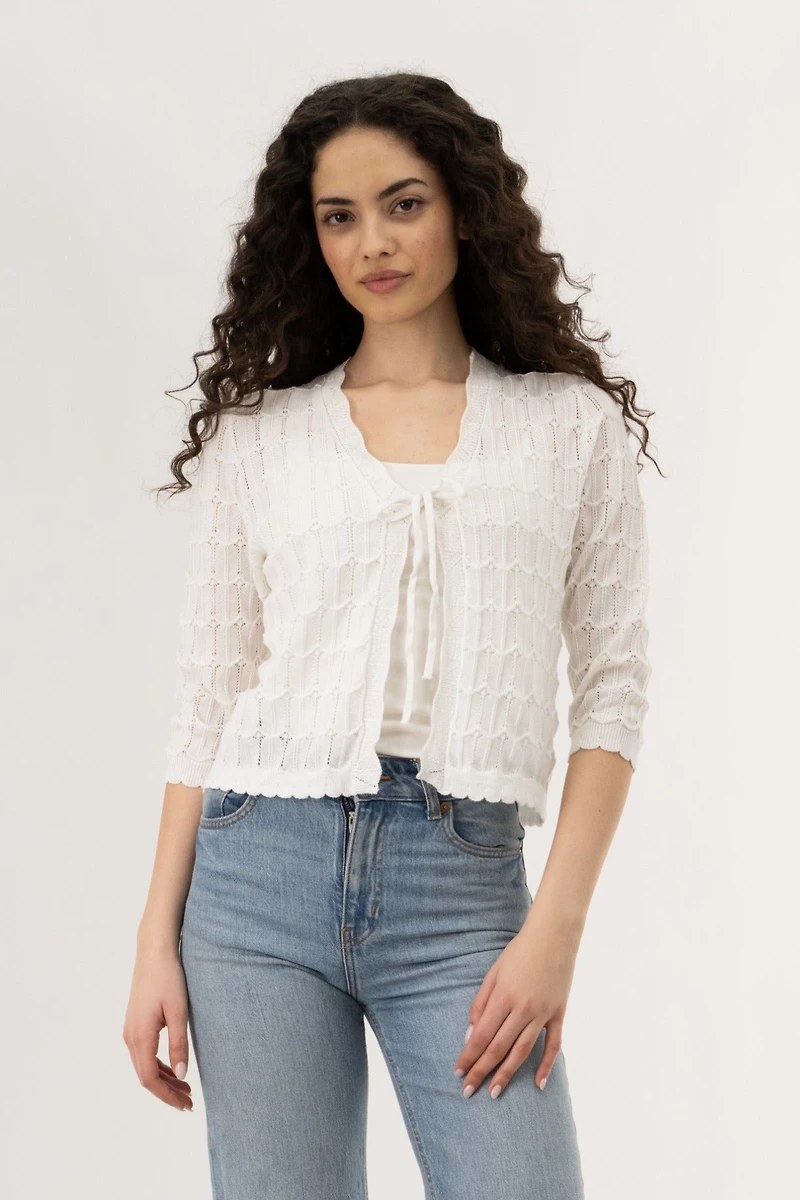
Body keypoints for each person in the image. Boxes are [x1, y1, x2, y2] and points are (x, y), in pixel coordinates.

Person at [123, 70, 658, 1199]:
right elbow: (207, 700)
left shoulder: (568, 428)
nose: (372, 241)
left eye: (403, 203)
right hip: (254, 878)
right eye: (339, 215)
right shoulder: (262, 438)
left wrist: (554, 931)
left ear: (463, 208)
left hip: (461, 888)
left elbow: (611, 692)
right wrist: (152, 941)